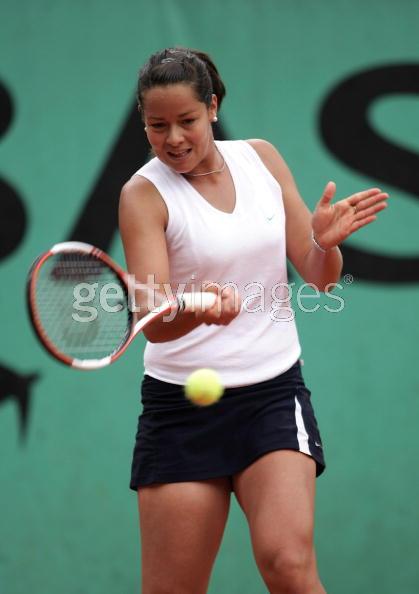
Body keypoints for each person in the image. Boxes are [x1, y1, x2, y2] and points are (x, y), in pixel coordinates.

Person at [119, 47, 388, 594]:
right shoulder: (141, 196)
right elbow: (154, 318)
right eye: (157, 125)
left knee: (289, 566)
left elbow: (319, 277)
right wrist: (197, 313)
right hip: (182, 412)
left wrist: (324, 243)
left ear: (212, 107)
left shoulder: (261, 158)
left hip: (271, 394)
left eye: (187, 121)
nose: (173, 138)